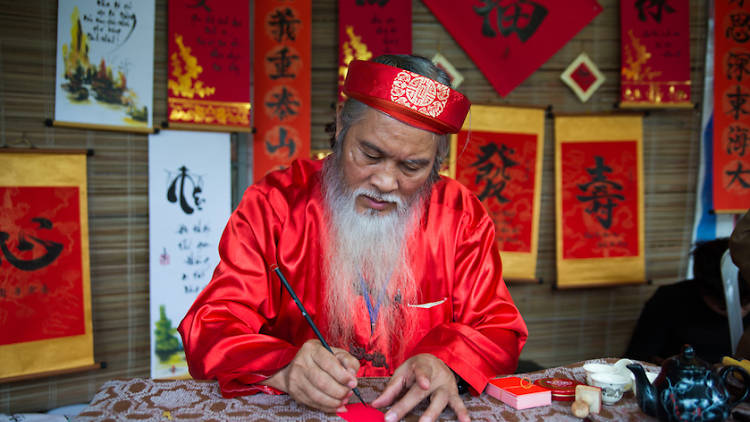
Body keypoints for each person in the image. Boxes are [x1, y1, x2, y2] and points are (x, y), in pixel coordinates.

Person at [178, 55, 528, 422]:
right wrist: (284, 367)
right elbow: (211, 326)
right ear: (342, 126)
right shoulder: (276, 205)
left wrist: (447, 361)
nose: (385, 182)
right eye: (371, 154)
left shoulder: (460, 215)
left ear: (436, 162)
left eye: (412, 167)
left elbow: (500, 329)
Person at [624, 237, 750, 365]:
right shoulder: (670, 300)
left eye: (746, 304)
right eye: (723, 307)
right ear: (702, 289)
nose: (739, 313)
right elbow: (636, 361)